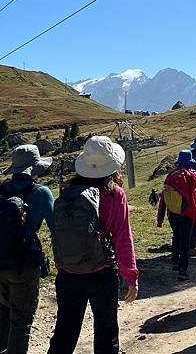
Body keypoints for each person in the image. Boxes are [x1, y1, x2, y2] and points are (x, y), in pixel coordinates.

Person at [48, 136, 139, 354]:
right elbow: (122, 237)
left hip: (68, 272)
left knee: (65, 331)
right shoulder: (114, 194)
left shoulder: (69, 191)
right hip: (102, 272)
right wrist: (131, 276)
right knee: (106, 332)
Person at [0, 144, 54, 354]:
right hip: (25, 262)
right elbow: (55, 228)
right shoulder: (41, 193)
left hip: (0, 260)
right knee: (22, 319)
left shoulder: (2, 190)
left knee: (3, 314)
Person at [157, 150, 196, 281]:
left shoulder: (171, 176)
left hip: (172, 212)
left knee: (176, 234)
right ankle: (183, 269)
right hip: (187, 212)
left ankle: (175, 259)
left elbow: (163, 196)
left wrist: (160, 217)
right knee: (185, 239)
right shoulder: (193, 175)